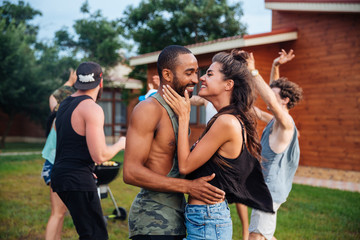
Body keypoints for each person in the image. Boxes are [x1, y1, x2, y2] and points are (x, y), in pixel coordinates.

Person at [163, 49, 274, 240]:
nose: (201, 78)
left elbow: (185, 165)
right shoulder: (224, 119)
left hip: (208, 220)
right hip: (205, 218)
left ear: (228, 85)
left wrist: (184, 117)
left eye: (210, 74)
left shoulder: (227, 122)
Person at [123, 45, 226, 240]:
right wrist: (189, 187)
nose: (195, 80)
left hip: (178, 219)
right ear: (167, 75)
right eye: (189, 73)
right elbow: (130, 172)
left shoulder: (181, 110)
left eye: (197, 73)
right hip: (152, 223)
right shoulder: (148, 109)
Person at [51, 62, 126, 240]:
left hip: (60, 176)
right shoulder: (92, 108)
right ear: (101, 83)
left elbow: (65, 137)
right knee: (95, 235)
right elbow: (100, 156)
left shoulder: (64, 105)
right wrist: (121, 143)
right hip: (77, 179)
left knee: (88, 232)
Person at [235, 49, 296, 240]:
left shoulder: (285, 124)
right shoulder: (275, 121)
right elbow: (269, 98)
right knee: (265, 236)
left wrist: (253, 70)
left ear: (285, 100)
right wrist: (275, 66)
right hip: (267, 188)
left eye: (274, 94)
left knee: (256, 236)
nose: (269, 94)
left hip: (270, 191)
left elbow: (270, 98)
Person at [41, 69, 76, 240]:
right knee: (57, 213)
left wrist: (69, 83)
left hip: (53, 164)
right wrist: (69, 84)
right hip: (57, 166)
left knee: (60, 212)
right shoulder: (65, 116)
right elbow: (54, 97)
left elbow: (53, 97)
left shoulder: (58, 113)